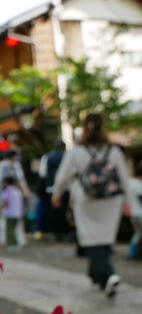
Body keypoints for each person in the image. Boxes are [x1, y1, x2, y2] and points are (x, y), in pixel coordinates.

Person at [52, 113, 130, 298]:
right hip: (111, 200)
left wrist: (56, 194)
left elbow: (62, 177)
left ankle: (109, 275)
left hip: (86, 198)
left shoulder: (77, 151)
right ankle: (97, 277)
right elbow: (124, 178)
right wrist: (127, 202)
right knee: (104, 238)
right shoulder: (114, 151)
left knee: (90, 239)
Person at [0, 149, 28, 246]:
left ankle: (17, 238)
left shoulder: (16, 165)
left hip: (13, 195)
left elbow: (21, 179)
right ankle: (6, 238)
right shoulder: (3, 165)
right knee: (6, 217)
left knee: (14, 218)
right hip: (7, 194)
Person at [37, 140, 68, 240]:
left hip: (51, 187)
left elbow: (43, 174)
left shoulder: (47, 157)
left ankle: (55, 232)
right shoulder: (66, 156)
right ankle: (62, 232)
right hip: (64, 188)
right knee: (63, 212)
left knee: (53, 211)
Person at [0, 177, 24, 253]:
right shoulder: (18, 191)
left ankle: (13, 244)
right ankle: (15, 244)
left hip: (10, 213)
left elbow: (6, 202)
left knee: (10, 230)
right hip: (18, 213)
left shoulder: (7, 191)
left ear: (6, 183)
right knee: (13, 229)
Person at [128, 162, 142, 259]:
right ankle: (136, 253)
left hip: (132, 212)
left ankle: (132, 252)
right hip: (139, 212)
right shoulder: (138, 184)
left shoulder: (129, 182)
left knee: (138, 232)